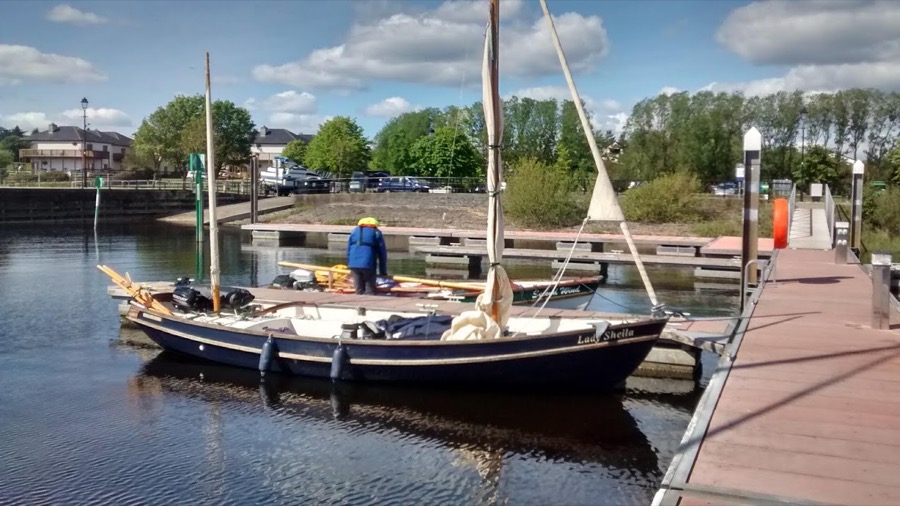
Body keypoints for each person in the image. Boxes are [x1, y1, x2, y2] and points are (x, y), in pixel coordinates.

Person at [347, 217, 388, 295]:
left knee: (358, 289)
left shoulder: (354, 231)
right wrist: (383, 272)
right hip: (368, 263)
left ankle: (358, 299)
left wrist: (349, 265)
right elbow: (382, 253)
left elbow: (348, 250)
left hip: (353, 264)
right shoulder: (376, 232)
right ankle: (368, 299)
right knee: (369, 289)